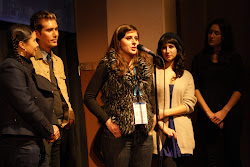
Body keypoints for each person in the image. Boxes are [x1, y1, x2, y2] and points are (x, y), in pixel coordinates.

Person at [84, 24, 156, 167]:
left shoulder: (144, 66)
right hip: (118, 133)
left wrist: (153, 116)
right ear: (118, 42)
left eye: (136, 38)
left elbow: (151, 95)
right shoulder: (108, 64)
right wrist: (108, 122)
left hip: (142, 133)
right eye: (129, 38)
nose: (134, 41)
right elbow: (88, 97)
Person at [0, 24, 60, 167]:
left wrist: (52, 124)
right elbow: (25, 104)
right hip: (21, 143)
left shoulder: (26, 67)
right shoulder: (11, 66)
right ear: (22, 45)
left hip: (34, 139)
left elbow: (39, 99)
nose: (37, 45)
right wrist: (48, 129)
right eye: (34, 40)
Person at [191, 18, 243, 167]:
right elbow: (195, 88)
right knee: (210, 158)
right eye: (210, 32)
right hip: (207, 115)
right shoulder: (199, 59)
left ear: (224, 36)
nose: (211, 36)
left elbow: (239, 88)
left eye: (216, 33)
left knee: (232, 156)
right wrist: (210, 114)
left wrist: (223, 112)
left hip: (230, 115)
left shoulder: (234, 58)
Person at [30, 11, 75, 167]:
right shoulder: (29, 60)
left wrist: (68, 110)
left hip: (59, 126)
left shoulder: (57, 60)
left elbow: (60, 90)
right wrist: (47, 124)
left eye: (56, 29)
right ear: (37, 33)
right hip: (41, 129)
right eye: (49, 30)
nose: (55, 34)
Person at [152, 32, 197, 167]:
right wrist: (161, 123)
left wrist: (164, 112)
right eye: (164, 47)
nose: (167, 51)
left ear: (178, 49)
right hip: (160, 130)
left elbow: (189, 105)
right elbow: (150, 105)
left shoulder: (186, 75)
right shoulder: (153, 73)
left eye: (171, 46)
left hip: (182, 131)